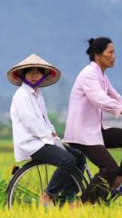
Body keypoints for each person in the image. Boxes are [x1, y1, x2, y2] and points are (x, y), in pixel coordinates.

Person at [63, 37, 122, 201]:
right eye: (110, 52)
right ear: (97, 55)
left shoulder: (101, 76)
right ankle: (82, 205)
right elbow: (100, 100)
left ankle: (116, 184)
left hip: (95, 131)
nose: (114, 56)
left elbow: (117, 98)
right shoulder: (88, 75)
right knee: (109, 167)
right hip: (81, 134)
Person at [8, 54, 85, 206]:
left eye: (38, 72)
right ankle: (48, 196)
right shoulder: (22, 96)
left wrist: (53, 133)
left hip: (43, 139)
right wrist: (49, 139)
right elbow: (32, 123)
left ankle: (68, 196)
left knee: (79, 157)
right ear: (24, 75)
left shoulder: (37, 94)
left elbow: (44, 120)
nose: (34, 76)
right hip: (32, 143)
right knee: (66, 160)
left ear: (43, 75)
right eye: (30, 72)